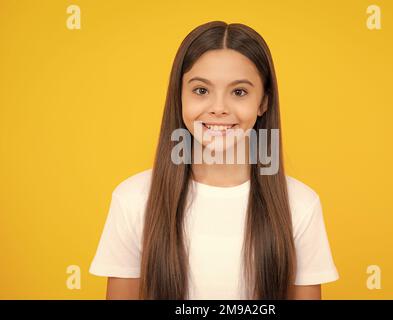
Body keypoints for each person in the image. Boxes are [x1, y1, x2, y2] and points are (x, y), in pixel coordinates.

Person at [89, 20, 339, 300]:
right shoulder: (133, 199)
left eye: (239, 92)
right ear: (179, 96)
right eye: (201, 90)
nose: (219, 108)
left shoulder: (301, 205)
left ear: (263, 102)